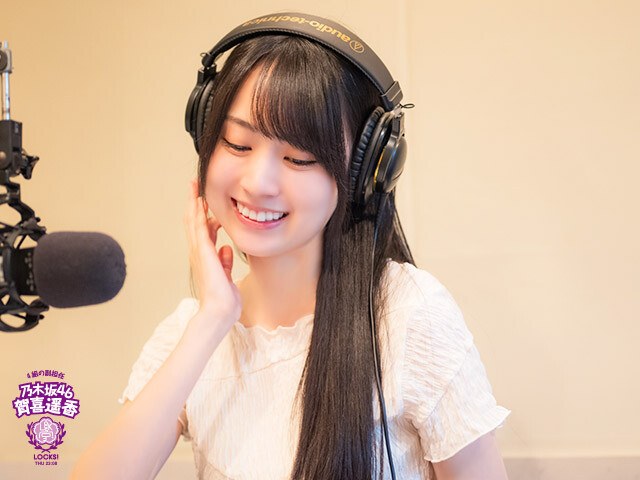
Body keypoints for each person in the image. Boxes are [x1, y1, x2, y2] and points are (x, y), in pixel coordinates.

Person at [70, 13, 511, 480]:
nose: (258, 182)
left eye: (299, 158)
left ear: (364, 173)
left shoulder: (408, 316)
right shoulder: (191, 332)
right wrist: (213, 319)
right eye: (238, 144)